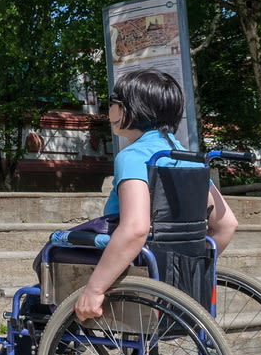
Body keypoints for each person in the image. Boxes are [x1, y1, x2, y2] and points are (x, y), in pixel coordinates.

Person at [74, 68, 237, 323]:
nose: (109, 110)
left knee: (44, 275)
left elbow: (136, 229)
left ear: (131, 108)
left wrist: (94, 290)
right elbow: (227, 225)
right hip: (175, 280)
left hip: (135, 267)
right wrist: (190, 269)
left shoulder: (133, 156)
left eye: (112, 102)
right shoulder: (189, 159)